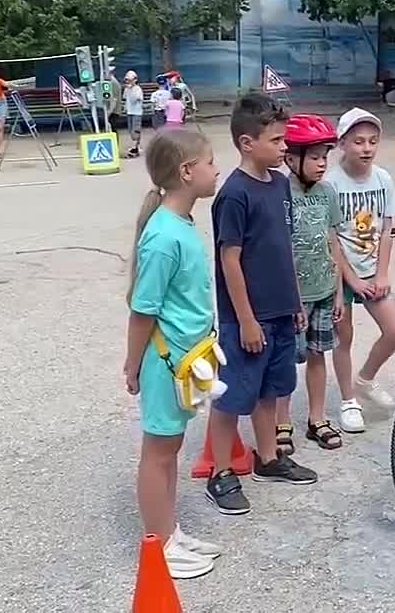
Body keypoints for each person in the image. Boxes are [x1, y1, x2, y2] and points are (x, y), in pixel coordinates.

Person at [205, 93, 317, 517]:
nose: (285, 147)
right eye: (276, 140)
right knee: (232, 397)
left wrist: (295, 300)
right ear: (247, 143)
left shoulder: (281, 184)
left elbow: (283, 245)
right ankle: (220, 472)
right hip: (246, 320)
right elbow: (229, 261)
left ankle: (268, 458)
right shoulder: (233, 195)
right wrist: (246, 321)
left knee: (273, 389)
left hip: (281, 312)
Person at [123, 126, 223, 580]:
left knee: (173, 446)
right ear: (187, 172)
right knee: (158, 451)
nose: (216, 169)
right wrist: (132, 363)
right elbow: (143, 309)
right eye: (209, 162)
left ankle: (170, 530)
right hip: (166, 362)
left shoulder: (180, 224)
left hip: (187, 359)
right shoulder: (164, 237)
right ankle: (158, 543)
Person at [324, 107, 395, 433]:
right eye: (358, 141)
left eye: (372, 141)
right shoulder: (330, 184)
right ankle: (348, 401)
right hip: (341, 274)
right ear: (342, 143)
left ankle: (365, 380)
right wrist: (351, 279)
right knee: (344, 338)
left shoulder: (383, 178)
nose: (366, 148)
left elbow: (387, 230)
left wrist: (382, 273)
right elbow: (331, 238)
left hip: (372, 270)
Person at [275, 114, 349, 453]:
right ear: (291, 158)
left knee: (319, 354)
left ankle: (316, 418)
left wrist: (338, 293)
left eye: (325, 156)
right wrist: (288, 300)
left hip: (323, 291)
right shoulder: (278, 194)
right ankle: (281, 421)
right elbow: (276, 250)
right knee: (286, 360)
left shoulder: (327, 193)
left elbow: (333, 241)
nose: (322, 164)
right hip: (292, 297)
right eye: (315, 157)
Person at [123, 71, 145, 158]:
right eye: (127, 80)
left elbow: (134, 99)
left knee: (135, 130)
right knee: (130, 130)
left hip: (137, 112)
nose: (128, 82)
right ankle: (135, 146)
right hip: (130, 111)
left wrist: (131, 89)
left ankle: (135, 148)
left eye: (130, 80)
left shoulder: (137, 89)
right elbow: (125, 98)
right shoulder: (127, 89)